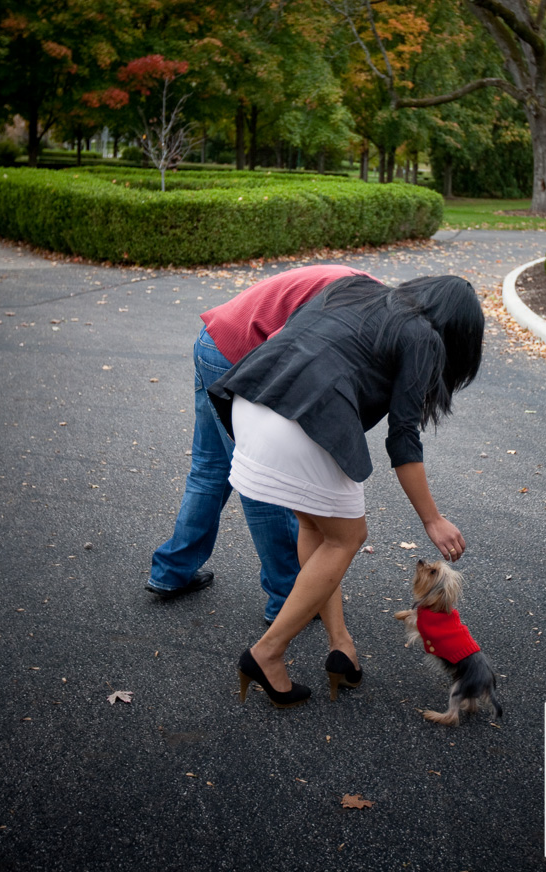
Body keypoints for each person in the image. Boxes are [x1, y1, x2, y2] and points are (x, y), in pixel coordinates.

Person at [207, 274, 485, 707]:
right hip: (300, 422)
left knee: (316, 528)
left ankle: (342, 646)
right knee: (349, 536)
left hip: (252, 400)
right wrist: (432, 519)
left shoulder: (354, 289)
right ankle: (267, 652)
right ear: (458, 331)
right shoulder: (423, 336)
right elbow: (403, 437)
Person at [145, 264, 377, 619]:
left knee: (210, 469)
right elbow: (281, 350)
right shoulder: (360, 305)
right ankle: (288, 596)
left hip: (215, 339)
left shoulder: (367, 296)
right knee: (263, 482)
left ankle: (171, 572)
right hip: (238, 353)